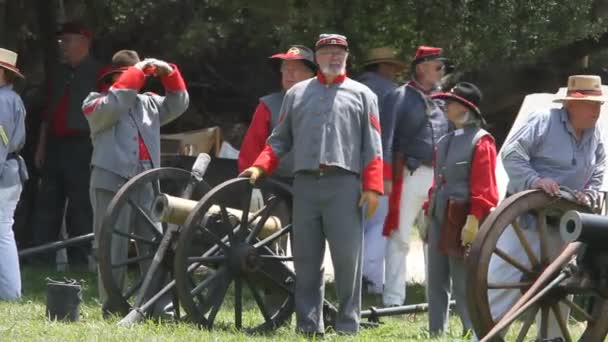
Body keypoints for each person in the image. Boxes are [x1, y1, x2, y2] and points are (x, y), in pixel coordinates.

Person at [242, 33, 383, 335]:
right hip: (304, 185)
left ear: (347, 56)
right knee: (306, 262)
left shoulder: (363, 95)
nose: (334, 57)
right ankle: (308, 326)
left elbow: (373, 147)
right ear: (317, 58)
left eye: (340, 52)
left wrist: (372, 187)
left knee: (348, 262)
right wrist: (259, 166)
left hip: (345, 186)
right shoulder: (296, 95)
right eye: (328, 52)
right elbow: (278, 140)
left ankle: (347, 326)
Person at [488, 75, 606, 340]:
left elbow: (599, 166)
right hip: (527, 223)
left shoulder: (593, 133)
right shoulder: (544, 121)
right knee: (500, 294)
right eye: (592, 104)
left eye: (599, 104)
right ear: (572, 105)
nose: (597, 110)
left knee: (559, 293)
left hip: (565, 226)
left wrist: (590, 191)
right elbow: (512, 154)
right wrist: (535, 180)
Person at [81, 50, 189, 307]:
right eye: (131, 75)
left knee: (155, 244)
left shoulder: (149, 102)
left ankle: (158, 306)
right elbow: (117, 104)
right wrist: (137, 72)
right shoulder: (96, 102)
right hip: (111, 179)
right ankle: (113, 304)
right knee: (112, 247)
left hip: (146, 180)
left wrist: (170, 74)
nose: (138, 81)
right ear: (115, 78)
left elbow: (179, 103)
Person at [422, 82, 498, 336]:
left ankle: (471, 331)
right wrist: (427, 211)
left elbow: (485, 187)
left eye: (451, 102)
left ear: (466, 108)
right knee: (435, 276)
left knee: (462, 280)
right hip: (439, 214)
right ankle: (435, 332)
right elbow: (438, 181)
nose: (446, 106)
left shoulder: (482, 141)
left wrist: (475, 219)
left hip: (462, 217)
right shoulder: (444, 140)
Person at [30, 21, 105, 269]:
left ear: (84, 42)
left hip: (82, 145)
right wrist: (41, 146)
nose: (63, 45)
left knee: (80, 206)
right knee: (47, 204)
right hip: (55, 145)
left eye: (68, 40)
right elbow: (47, 115)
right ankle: (42, 260)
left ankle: (79, 261)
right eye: (61, 41)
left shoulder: (99, 73)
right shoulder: (59, 73)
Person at [381, 46, 450, 307]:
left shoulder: (445, 100)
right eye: (437, 66)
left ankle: (437, 296)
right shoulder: (397, 97)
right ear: (421, 67)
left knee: (435, 238)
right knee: (399, 236)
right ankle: (393, 299)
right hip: (409, 173)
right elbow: (386, 138)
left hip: (439, 177)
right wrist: (386, 177)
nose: (441, 71)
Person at [356, 47, 405, 297]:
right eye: (393, 68)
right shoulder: (391, 93)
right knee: (379, 226)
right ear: (385, 67)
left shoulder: (351, 88)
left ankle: (352, 280)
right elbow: (391, 135)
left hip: (350, 168)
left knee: (357, 225)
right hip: (379, 167)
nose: (396, 74)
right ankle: (371, 281)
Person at [238, 44, 317, 184]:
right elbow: (250, 151)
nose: (289, 73)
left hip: (314, 185)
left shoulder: (325, 105)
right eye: (285, 67)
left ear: (311, 74)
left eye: (296, 68)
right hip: (274, 186)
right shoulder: (268, 106)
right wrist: (249, 185)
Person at [0, 48, 28, 300]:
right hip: (9, 171)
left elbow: (1, 141)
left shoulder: (1, 101)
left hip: (3, 173)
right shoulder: (10, 99)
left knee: (1, 233)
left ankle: (9, 293)